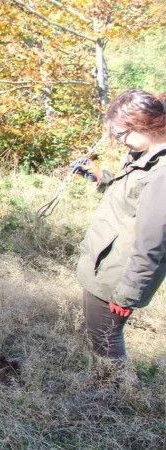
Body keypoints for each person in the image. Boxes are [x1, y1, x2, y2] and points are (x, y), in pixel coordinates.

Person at [75, 89, 166, 361]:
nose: (119, 141)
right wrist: (100, 176)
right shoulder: (144, 155)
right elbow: (131, 199)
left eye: (121, 134)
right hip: (105, 263)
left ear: (144, 126)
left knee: (106, 340)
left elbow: (153, 243)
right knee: (96, 333)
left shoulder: (162, 175)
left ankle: (110, 396)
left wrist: (128, 294)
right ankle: (101, 386)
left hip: (119, 274)